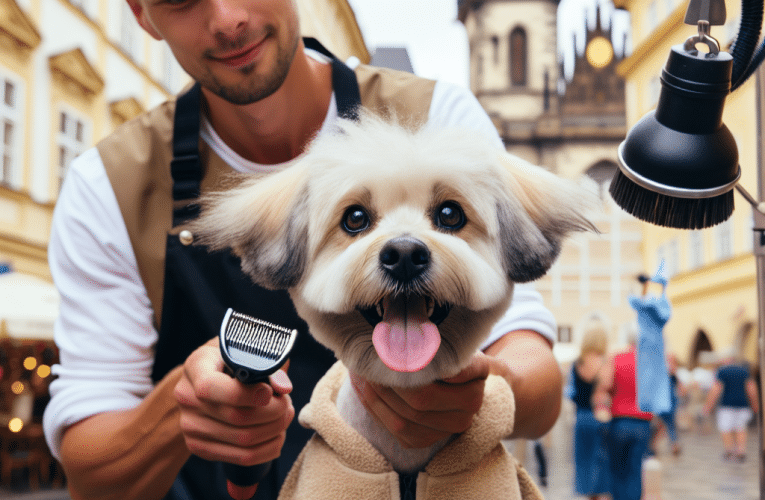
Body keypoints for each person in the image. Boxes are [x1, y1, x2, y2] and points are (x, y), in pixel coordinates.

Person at [41, 2, 564, 499]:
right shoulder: (108, 185)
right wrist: (184, 411)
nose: (227, 20)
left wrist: (487, 392)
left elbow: (535, 379)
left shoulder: (437, 116)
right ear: (140, 13)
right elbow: (91, 479)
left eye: (446, 217)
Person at [593, 333, 653, 500]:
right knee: (635, 470)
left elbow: (606, 384)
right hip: (643, 422)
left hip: (620, 421)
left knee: (617, 469)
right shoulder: (649, 362)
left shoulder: (617, 358)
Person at [568, 328, 610, 500]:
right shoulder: (605, 362)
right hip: (601, 417)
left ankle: (588, 495)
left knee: (583, 460)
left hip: (582, 417)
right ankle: (598, 494)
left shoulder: (577, 363)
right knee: (601, 460)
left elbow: (572, 393)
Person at [703, 347, 759, 461]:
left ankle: (729, 450)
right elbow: (751, 388)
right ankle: (741, 451)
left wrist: (708, 406)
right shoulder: (744, 371)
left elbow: (716, 389)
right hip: (743, 404)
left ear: (725, 359)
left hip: (726, 405)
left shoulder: (722, 371)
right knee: (741, 428)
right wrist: (755, 404)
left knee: (726, 428)